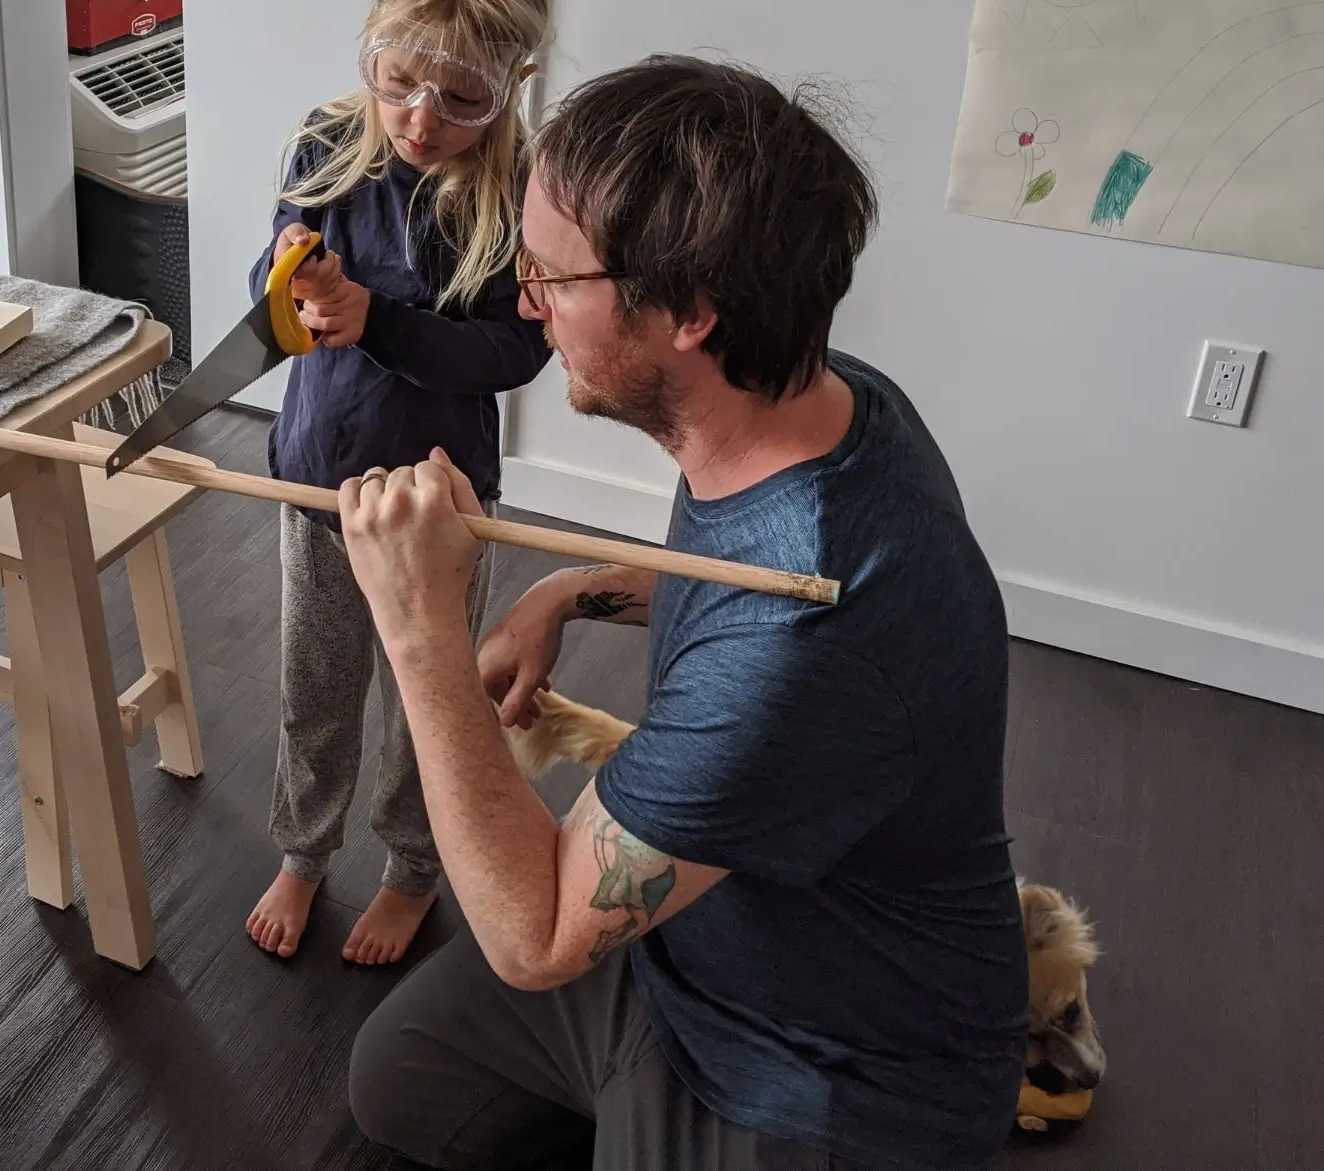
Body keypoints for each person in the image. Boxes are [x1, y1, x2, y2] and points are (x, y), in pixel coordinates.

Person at [340, 57, 1027, 1169]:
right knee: (399, 1083)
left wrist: (420, 623)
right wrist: (571, 592)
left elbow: (535, 937)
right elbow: (738, 575)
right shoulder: (818, 400)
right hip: (687, 943)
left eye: (553, 277)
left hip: (825, 1065)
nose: (526, 301)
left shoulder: (806, 648)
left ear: (692, 314)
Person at [244, 0, 554, 966]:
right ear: (373, 48)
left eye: (464, 99)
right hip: (317, 482)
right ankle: (303, 849)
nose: (422, 121)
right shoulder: (328, 143)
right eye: (399, 81)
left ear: (516, 80)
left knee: (431, 695)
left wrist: (378, 319)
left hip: (438, 506)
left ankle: (415, 869)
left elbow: (516, 356)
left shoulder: (520, 194)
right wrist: (291, 280)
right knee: (314, 686)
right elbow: (265, 303)